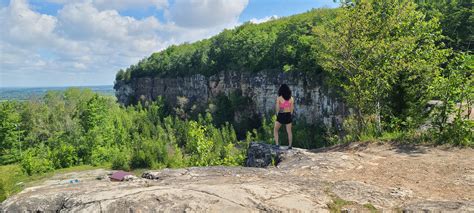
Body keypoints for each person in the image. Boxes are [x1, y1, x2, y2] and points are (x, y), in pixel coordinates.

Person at [274, 84, 294, 149]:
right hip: (288, 114)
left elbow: (278, 108)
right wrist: (290, 115)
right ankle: (290, 145)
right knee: (289, 131)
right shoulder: (291, 98)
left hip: (281, 115)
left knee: (275, 129)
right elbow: (291, 108)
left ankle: (277, 144)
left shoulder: (279, 98)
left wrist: (278, 114)